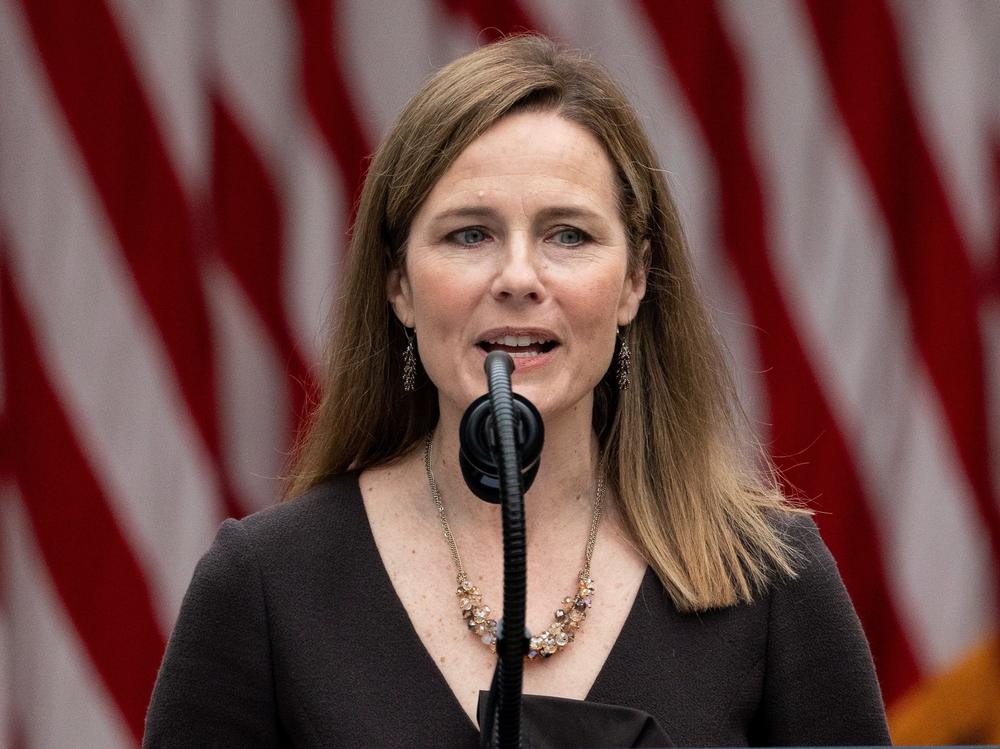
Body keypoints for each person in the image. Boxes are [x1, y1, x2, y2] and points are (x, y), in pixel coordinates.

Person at [144, 35, 890, 747]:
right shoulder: (266, 585)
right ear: (398, 284)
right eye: (470, 234)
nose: (519, 278)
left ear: (634, 282)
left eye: (568, 234)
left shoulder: (769, 581)